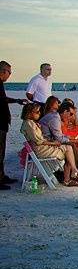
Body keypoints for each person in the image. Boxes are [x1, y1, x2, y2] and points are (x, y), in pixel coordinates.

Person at [20, 103, 78, 186]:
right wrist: (54, 143)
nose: (40, 113)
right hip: (41, 149)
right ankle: (71, 174)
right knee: (69, 148)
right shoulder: (31, 123)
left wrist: (71, 139)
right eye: (37, 112)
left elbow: (44, 138)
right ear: (30, 113)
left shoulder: (31, 123)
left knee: (69, 147)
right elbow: (41, 141)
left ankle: (72, 173)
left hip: (41, 147)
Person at [39, 97, 78, 180]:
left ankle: (74, 173)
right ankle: (75, 174)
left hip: (50, 141)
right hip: (47, 144)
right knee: (71, 146)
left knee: (71, 145)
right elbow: (59, 138)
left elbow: (59, 136)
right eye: (71, 114)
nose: (71, 117)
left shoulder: (55, 116)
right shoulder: (54, 118)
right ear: (65, 111)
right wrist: (76, 140)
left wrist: (71, 138)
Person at [0, 61, 28, 190]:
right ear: (3, 71)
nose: (9, 75)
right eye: (9, 72)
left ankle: (2, 175)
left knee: (2, 150)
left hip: (3, 122)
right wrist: (16, 101)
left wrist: (16, 101)